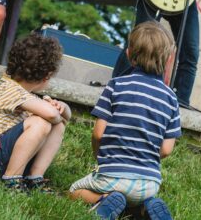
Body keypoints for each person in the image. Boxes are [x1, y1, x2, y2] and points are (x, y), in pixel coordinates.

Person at [70, 21, 181, 220]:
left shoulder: (116, 85)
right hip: (149, 183)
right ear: (168, 59)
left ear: (129, 55)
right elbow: (166, 150)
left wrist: (99, 158)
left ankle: (103, 200)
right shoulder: (171, 98)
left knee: (73, 191)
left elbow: (98, 133)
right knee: (136, 199)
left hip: (111, 175)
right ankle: (145, 208)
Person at [0, 33, 71, 192]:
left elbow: (65, 117)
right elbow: (51, 115)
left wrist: (62, 106)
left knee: (58, 125)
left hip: (1, 158)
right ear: (46, 76)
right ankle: (11, 180)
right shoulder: (10, 89)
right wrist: (54, 112)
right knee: (41, 122)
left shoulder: (25, 95)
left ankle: (34, 178)